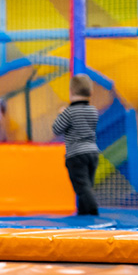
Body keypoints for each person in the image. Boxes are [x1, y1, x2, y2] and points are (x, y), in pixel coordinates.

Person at [51, 73, 100, 216]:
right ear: (90, 93)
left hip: (76, 154)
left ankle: (92, 210)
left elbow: (56, 129)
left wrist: (61, 114)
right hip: (92, 152)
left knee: (82, 187)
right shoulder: (93, 111)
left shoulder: (69, 112)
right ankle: (84, 213)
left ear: (71, 92)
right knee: (87, 186)